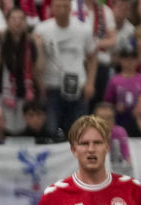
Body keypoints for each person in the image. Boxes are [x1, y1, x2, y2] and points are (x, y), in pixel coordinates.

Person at [33, 0, 97, 136]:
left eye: (65, 6)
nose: (62, 10)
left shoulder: (84, 28)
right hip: (52, 86)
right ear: (51, 8)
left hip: (78, 86)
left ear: (70, 8)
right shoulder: (41, 29)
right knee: (51, 130)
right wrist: (39, 85)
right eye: (58, 6)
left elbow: (93, 56)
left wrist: (90, 83)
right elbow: (34, 61)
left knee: (79, 132)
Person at [0, 7, 41, 135]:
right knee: (0, 129)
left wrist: (40, 47)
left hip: (24, 93)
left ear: (25, 23)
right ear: (8, 22)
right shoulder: (1, 40)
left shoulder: (30, 43)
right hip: (1, 92)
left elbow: (38, 71)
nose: (17, 22)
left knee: (21, 131)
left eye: (20, 19)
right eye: (13, 19)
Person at [104, 46, 141, 128]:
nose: (129, 62)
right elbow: (107, 103)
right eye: (126, 58)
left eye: (133, 58)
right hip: (119, 119)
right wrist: (116, 108)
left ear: (137, 60)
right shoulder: (114, 81)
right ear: (120, 60)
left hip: (140, 120)